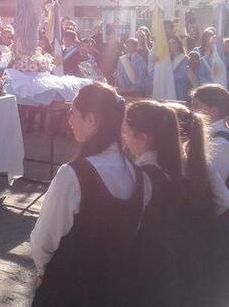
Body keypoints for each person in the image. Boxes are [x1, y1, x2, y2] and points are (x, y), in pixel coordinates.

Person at [30, 83, 145, 307]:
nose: (69, 121)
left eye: (73, 113)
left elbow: (44, 239)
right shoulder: (137, 174)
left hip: (69, 288)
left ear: (91, 119)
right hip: (114, 288)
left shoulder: (73, 175)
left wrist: (44, 271)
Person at [167, 102, 229, 307]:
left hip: (174, 250)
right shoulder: (201, 162)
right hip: (201, 244)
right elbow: (223, 200)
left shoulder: (164, 167)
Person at [121, 101, 181, 307]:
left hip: (145, 267)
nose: (124, 139)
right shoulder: (173, 165)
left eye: (126, 132)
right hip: (166, 262)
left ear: (143, 138)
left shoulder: (145, 175)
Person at [2, 0, 70, 56]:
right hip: (22, 24)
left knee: (32, 41)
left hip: (33, 24)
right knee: (21, 42)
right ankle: (22, 56)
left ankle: (30, 56)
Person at [190, 84, 229, 188]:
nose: (191, 110)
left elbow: (212, 184)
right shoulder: (207, 134)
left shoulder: (221, 143)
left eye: (196, 106)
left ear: (214, 112)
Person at [168, 36, 190, 101]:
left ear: (178, 44)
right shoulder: (167, 58)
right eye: (169, 43)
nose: (171, 45)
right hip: (169, 88)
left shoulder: (184, 58)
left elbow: (182, 74)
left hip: (179, 88)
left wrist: (168, 77)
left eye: (174, 43)